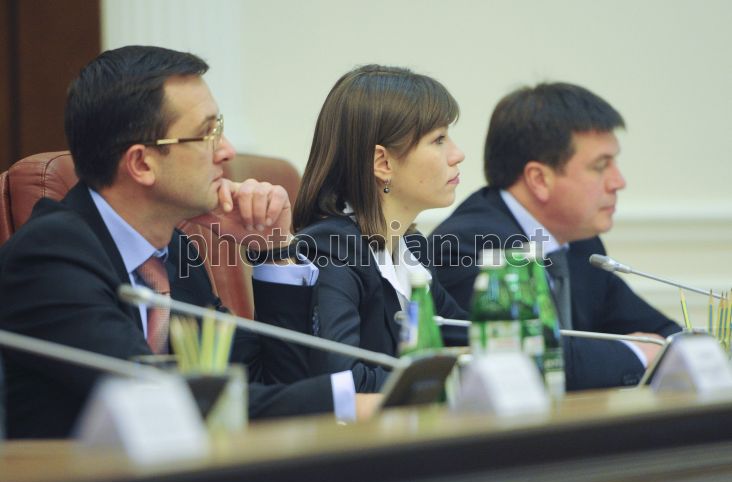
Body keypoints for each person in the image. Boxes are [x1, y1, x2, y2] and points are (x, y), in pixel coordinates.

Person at [0, 45, 375, 439]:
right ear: (142, 163)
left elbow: (269, 384)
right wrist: (346, 403)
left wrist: (273, 251)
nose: (227, 151)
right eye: (207, 133)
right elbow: (155, 403)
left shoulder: (172, 253)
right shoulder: (49, 257)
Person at [429, 82, 681, 390]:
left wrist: (686, 348)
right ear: (539, 179)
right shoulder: (471, 244)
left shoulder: (579, 242)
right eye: (601, 166)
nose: (618, 182)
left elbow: (661, 330)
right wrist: (638, 353)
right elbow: (528, 364)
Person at [258, 65, 468, 392]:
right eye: (438, 139)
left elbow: (465, 336)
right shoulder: (331, 249)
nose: (457, 154)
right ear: (383, 163)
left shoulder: (410, 246)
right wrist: (452, 382)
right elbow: (344, 381)